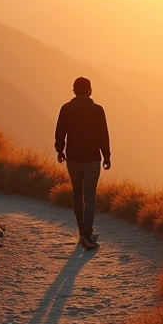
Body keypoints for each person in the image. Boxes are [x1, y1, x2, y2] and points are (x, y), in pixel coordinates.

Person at [54, 77, 111, 250]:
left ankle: (82, 232)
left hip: (73, 158)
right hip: (92, 158)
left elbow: (60, 132)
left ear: (73, 90)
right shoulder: (97, 110)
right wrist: (106, 155)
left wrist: (60, 150)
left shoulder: (66, 109)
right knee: (90, 196)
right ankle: (87, 233)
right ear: (90, 91)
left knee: (77, 193)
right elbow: (103, 135)